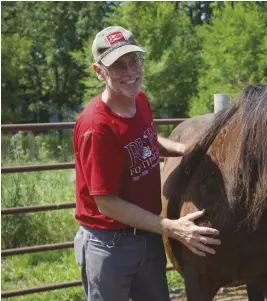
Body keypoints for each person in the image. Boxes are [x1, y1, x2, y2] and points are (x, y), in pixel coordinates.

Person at [72, 26, 221, 301]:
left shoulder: (138, 98)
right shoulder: (97, 127)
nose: (130, 72)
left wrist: (183, 149)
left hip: (148, 234)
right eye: (117, 67)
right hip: (110, 244)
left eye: (134, 61)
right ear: (99, 71)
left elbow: (147, 138)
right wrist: (170, 227)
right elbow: (106, 202)